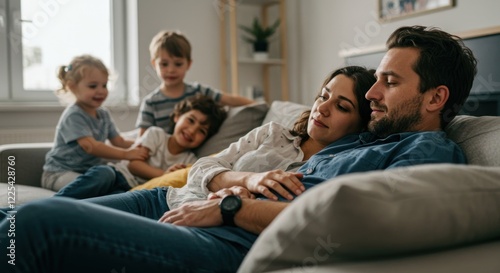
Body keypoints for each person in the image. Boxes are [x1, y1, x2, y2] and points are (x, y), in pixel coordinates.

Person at [0, 25, 478, 272]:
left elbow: (347, 219)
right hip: (203, 214)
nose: (373, 94)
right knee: (16, 223)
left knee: (41, 224)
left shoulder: (428, 153)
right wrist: (235, 189)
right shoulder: (372, 138)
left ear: (436, 98)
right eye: (374, 82)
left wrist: (230, 208)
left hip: (230, 244)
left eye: (389, 83)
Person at [53, 94, 227, 199]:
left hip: (130, 190)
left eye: (201, 131)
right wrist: (163, 174)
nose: (192, 130)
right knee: (103, 174)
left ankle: (75, 211)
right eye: (190, 120)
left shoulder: (189, 160)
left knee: (113, 202)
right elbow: (133, 165)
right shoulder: (156, 134)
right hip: (117, 175)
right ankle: (55, 203)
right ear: (177, 116)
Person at [41, 55, 149, 192]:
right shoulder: (74, 115)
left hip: (88, 174)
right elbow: (91, 146)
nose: (101, 91)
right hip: (59, 173)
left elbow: (119, 141)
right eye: (93, 86)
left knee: (114, 180)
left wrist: (143, 146)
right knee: (106, 174)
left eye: (104, 85)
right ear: (72, 87)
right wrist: (127, 154)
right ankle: (53, 205)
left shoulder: (103, 114)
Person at [136, 30, 254, 136]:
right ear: (154, 64)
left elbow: (230, 99)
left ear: (188, 64)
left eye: (178, 64)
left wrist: (260, 106)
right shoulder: (150, 103)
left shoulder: (199, 91)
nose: (171, 70)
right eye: (164, 64)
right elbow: (142, 141)